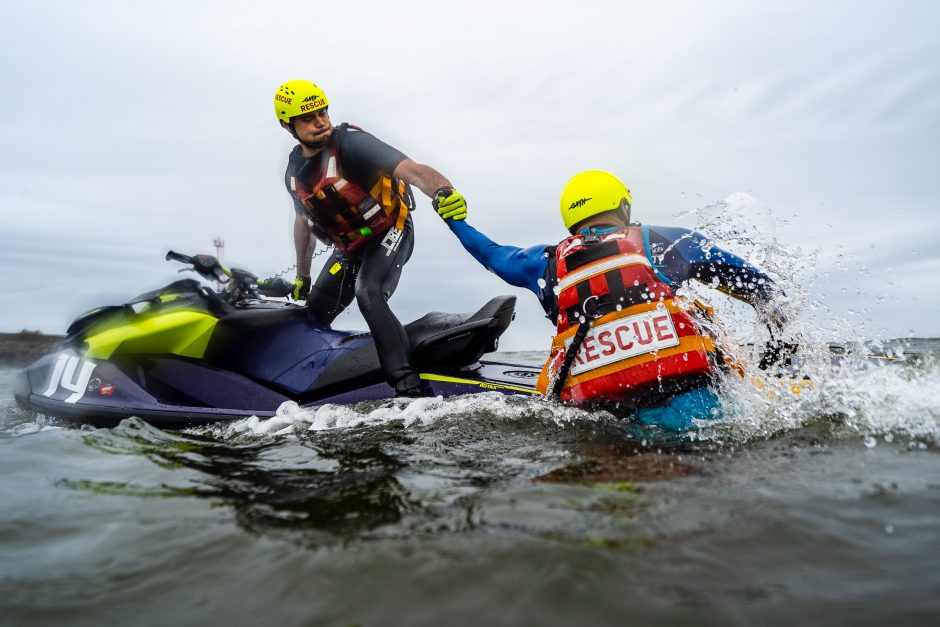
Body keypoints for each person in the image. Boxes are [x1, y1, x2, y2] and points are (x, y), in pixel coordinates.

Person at [433, 170, 792, 430]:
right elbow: (762, 288)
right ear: (622, 206)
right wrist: (780, 340)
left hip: (600, 420)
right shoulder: (669, 242)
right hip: (701, 412)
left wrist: (456, 221)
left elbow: (491, 254)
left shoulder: (543, 264)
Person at [275, 80, 468, 397]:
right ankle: (311, 381)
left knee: (369, 292)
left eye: (322, 112)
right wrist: (302, 276)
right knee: (313, 314)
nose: (321, 120)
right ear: (288, 125)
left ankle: (408, 385)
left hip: (392, 229)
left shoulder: (351, 143)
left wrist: (444, 192)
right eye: (308, 117)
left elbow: (413, 170)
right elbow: (303, 222)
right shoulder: (294, 173)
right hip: (351, 248)